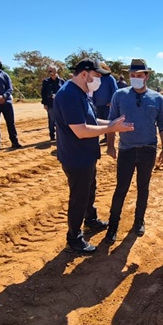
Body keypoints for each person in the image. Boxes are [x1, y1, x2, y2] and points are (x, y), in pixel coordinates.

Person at [54, 58, 134, 254]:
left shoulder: (81, 93)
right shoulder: (69, 96)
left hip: (85, 156)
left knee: (90, 190)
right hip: (76, 157)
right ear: (84, 74)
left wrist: (110, 123)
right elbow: (81, 130)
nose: (99, 80)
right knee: (79, 198)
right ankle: (74, 239)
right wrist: (110, 128)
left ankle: (90, 220)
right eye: (97, 76)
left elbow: (89, 119)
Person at [104, 59, 163, 243]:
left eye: (139, 75)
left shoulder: (157, 98)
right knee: (121, 189)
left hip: (148, 150)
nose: (135, 78)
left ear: (147, 76)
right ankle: (113, 225)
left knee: (143, 187)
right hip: (126, 149)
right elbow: (112, 122)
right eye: (132, 75)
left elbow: (162, 125)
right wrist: (110, 145)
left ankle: (139, 221)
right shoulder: (119, 95)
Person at [91, 62, 118, 144]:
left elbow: (115, 90)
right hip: (98, 105)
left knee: (108, 121)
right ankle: (103, 136)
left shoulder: (110, 78)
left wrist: (111, 101)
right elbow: (93, 91)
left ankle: (109, 137)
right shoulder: (95, 78)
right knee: (99, 120)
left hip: (107, 105)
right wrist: (93, 102)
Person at [41, 65, 63, 141]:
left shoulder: (62, 81)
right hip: (50, 104)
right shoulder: (46, 82)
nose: (50, 72)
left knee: (61, 120)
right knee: (51, 121)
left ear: (56, 71)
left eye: (51, 70)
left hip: (60, 105)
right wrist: (44, 103)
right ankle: (52, 136)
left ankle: (60, 135)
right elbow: (43, 93)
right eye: (49, 71)